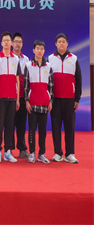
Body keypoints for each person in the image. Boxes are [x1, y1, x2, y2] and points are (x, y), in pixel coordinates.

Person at [49, 33, 82, 164]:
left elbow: (78, 79)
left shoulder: (73, 59)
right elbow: (47, 80)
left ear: (67, 43)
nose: (61, 43)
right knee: (55, 127)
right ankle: (57, 153)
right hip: (55, 100)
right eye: (59, 41)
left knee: (70, 127)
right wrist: (49, 99)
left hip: (70, 99)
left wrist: (77, 99)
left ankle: (70, 154)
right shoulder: (50, 58)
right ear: (56, 44)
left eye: (63, 41)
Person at [0, 32, 21, 163]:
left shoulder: (16, 59)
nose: (6, 42)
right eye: (4, 40)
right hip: (0, 97)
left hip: (12, 98)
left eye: (8, 40)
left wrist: (18, 99)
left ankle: (8, 151)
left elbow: (17, 80)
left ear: (11, 43)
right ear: (1, 43)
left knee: (10, 125)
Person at [24, 40, 53, 164]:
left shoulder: (48, 66)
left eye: (41, 49)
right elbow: (26, 85)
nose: (39, 51)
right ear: (33, 50)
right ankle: (31, 153)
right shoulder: (28, 65)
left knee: (43, 130)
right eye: (37, 48)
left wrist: (50, 101)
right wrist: (26, 101)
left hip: (45, 103)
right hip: (32, 103)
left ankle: (41, 153)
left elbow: (51, 86)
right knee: (31, 129)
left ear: (44, 51)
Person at [12, 32, 30, 159]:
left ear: (22, 44)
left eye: (20, 42)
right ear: (12, 43)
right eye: (16, 41)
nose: (17, 44)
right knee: (9, 124)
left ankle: (22, 149)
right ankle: (8, 149)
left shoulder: (26, 60)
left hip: (22, 97)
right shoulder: (7, 57)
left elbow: (27, 79)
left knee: (21, 125)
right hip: (10, 96)